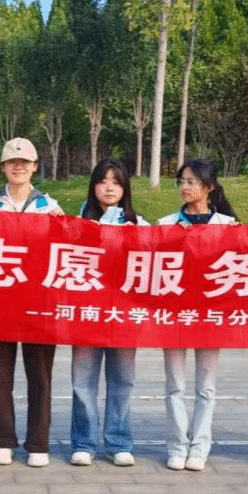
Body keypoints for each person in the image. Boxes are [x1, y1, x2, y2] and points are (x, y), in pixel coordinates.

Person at [0, 137, 63, 467]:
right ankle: (3, 440)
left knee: (40, 376)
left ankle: (38, 443)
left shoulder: (49, 206)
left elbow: (66, 250)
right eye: (12, 162)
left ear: (35, 167)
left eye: (25, 163)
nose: (18, 167)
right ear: (3, 167)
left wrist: (61, 225)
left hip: (40, 301)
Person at [156, 158, 239, 472]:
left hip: (210, 316)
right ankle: (177, 446)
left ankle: (200, 447)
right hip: (175, 315)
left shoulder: (228, 226)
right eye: (182, 181)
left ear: (209, 187)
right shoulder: (165, 224)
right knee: (174, 385)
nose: (185, 187)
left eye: (192, 182)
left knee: (206, 386)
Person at [69, 158, 146, 468]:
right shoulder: (76, 222)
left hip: (124, 316)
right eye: (102, 181)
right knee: (82, 381)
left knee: (123, 380)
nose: (109, 187)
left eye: (116, 181)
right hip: (87, 313)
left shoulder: (139, 224)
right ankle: (83, 443)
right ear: (93, 186)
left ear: (125, 187)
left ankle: (118, 442)